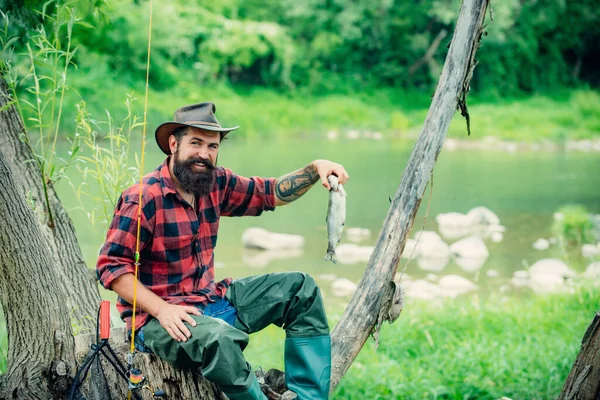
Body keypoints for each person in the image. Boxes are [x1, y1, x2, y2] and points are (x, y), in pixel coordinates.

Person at [96, 102, 350, 400]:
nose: (204, 154)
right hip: (158, 322)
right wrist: (162, 310)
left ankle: (310, 397)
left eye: (212, 146)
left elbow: (268, 192)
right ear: (173, 144)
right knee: (219, 339)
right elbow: (111, 268)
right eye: (196, 143)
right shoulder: (143, 198)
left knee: (300, 290)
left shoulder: (215, 182)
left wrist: (314, 168)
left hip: (211, 301)